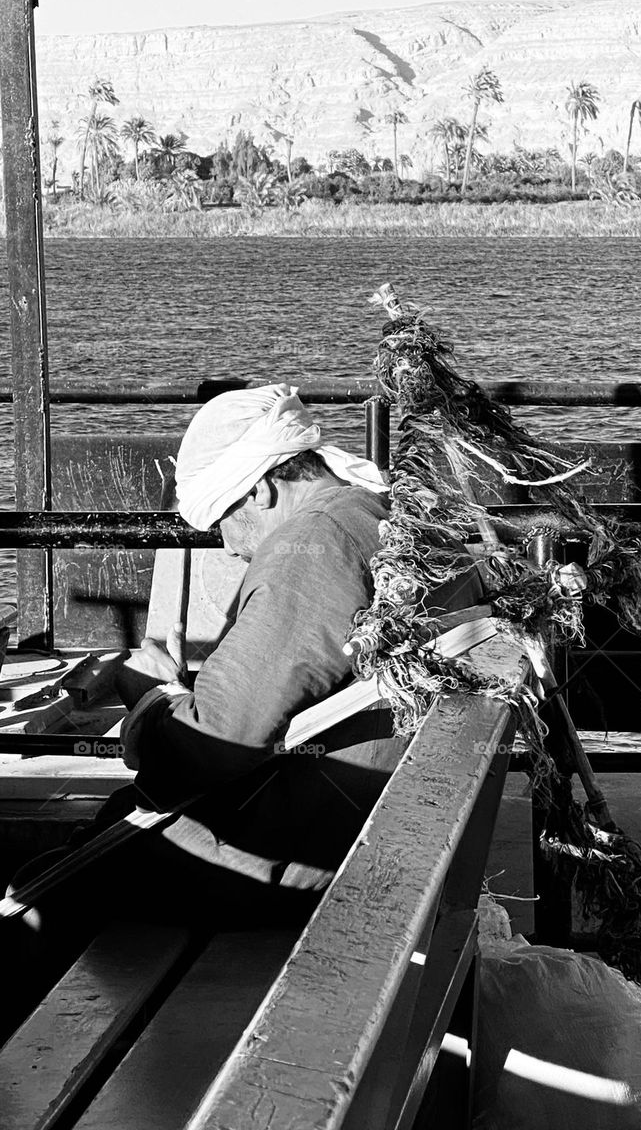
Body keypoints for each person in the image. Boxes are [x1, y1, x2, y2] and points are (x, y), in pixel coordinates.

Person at [12, 383, 481, 935]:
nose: (229, 547)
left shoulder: (314, 547)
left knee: (41, 891)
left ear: (259, 489)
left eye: (220, 522)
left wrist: (152, 696)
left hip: (324, 854)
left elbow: (211, 746)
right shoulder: (384, 512)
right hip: (387, 819)